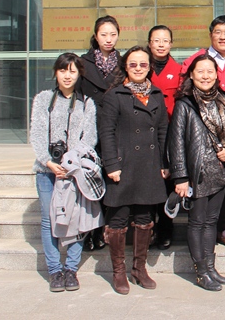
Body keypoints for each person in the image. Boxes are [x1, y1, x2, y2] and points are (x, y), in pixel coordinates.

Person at [99, 46, 169, 295]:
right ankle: (119, 271)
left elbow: (163, 131)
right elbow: (106, 132)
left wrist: (164, 163)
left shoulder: (157, 94)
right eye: (133, 64)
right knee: (117, 221)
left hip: (149, 165)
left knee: (144, 219)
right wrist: (111, 164)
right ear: (125, 67)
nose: (138, 68)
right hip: (123, 165)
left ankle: (139, 268)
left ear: (150, 68)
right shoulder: (115, 95)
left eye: (143, 64)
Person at [168, 54, 225, 292]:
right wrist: (180, 177)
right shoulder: (185, 104)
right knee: (197, 222)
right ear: (191, 75)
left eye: (210, 71)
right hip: (196, 172)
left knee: (211, 222)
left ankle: (210, 268)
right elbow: (176, 142)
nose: (206, 76)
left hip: (219, 171)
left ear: (217, 75)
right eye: (200, 71)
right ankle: (201, 272)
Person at [30, 53, 98, 292]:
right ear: (55, 72)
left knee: (76, 219)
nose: (67, 76)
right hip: (46, 171)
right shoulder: (43, 99)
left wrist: (70, 164)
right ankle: (54, 270)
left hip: (74, 172)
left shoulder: (87, 103)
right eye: (62, 70)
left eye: (72, 71)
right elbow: (37, 133)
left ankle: (71, 269)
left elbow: (89, 138)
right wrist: (48, 162)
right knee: (49, 220)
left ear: (79, 74)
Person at [181, 15, 225, 249]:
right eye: (218, 32)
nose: (223, 37)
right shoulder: (196, 60)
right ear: (210, 34)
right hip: (202, 134)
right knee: (204, 186)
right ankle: (203, 233)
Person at [78, 15, 125, 251]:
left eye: (113, 34)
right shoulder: (82, 63)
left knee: (111, 179)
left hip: (116, 129)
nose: (108, 39)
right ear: (96, 36)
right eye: (104, 34)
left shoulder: (124, 63)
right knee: (90, 180)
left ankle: (108, 228)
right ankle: (90, 231)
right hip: (89, 130)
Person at [147, 25, 182, 250]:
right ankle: (147, 228)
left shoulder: (179, 70)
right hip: (143, 133)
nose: (161, 44)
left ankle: (165, 230)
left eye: (165, 40)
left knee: (167, 182)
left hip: (168, 133)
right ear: (149, 43)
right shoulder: (140, 67)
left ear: (171, 44)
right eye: (156, 40)